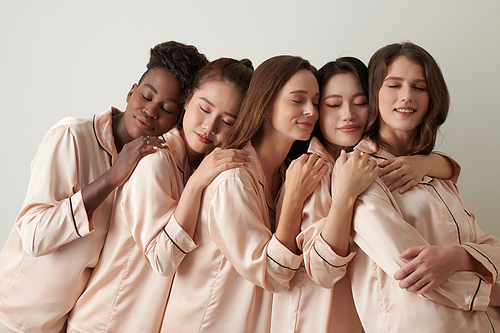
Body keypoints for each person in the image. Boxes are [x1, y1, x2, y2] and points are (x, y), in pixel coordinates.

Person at [0, 41, 208, 333]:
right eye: (146, 96)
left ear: (178, 119)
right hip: (15, 318)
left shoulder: (153, 164)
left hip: (65, 321)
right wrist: (111, 177)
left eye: (167, 108)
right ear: (131, 91)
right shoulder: (72, 136)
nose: (150, 111)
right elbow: (34, 236)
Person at [271, 56, 460, 333]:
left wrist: (427, 163)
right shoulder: (312, 171)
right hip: (315, 317)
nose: (348, 114)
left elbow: (451, 173)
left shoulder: (372, 163)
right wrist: (345, 194)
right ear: (317, 111)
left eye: (360, 103)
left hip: (366, 315)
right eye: (333, 105)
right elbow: (321, 269)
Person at [65, 58, 254, 333]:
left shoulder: (195, 167)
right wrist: (196, 184)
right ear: (187, 101)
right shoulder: (154, 161)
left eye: (227, 121)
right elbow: (162, 260)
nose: (209, 127)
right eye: (204, 109)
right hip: (103, 323)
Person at [322, 42, 500, 332]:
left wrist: (459, 256)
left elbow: (490, 246)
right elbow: (411, 271)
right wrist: (495, 292)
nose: (407, 96)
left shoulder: (433, 171)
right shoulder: (360, 170)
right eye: (394, 85)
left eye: (419, 87)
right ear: (374, 94)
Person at [161, 55, 328, 333]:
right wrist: (294, 199)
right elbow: (272, 273)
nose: (311, 111)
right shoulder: (233, 178)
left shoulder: (289, 173)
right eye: (298, 100)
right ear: (265, 103)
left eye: (317, 102)